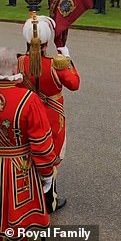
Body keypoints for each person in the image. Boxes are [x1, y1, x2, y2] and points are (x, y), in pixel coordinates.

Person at [17, 14, 80, 213]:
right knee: (49, 157)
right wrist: (67, 58)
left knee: (30, 154)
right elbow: (75, 84)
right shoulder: (56, 64)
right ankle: (48, 202)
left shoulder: (19, 62)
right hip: (52, 117)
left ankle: (30, 195)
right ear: (45, 43)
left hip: (28, 113)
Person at [0, 47, 56, 237]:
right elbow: (41, 144)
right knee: (19, 226)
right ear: (15, 70)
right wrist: (47, 173)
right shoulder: (28, 99)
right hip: (19, 168)